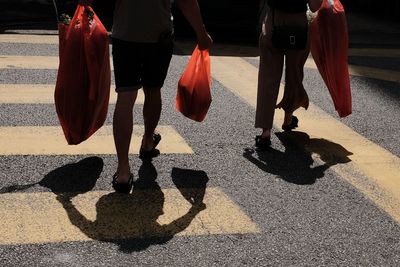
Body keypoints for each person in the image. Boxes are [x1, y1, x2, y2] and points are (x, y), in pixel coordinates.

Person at [79, 0, 212, 193]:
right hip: (159, 37)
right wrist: (201, 33)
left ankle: (123, 170)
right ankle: (148, 140)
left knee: (125, 97)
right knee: (153, 90)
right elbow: (187, 2)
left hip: (125, 36)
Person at [254, 0, 322, 150]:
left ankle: (266, 131)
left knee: (268, 77)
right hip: (298, 25)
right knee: (294, 76)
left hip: (273, 21)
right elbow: (315, 6)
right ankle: (288, 119)